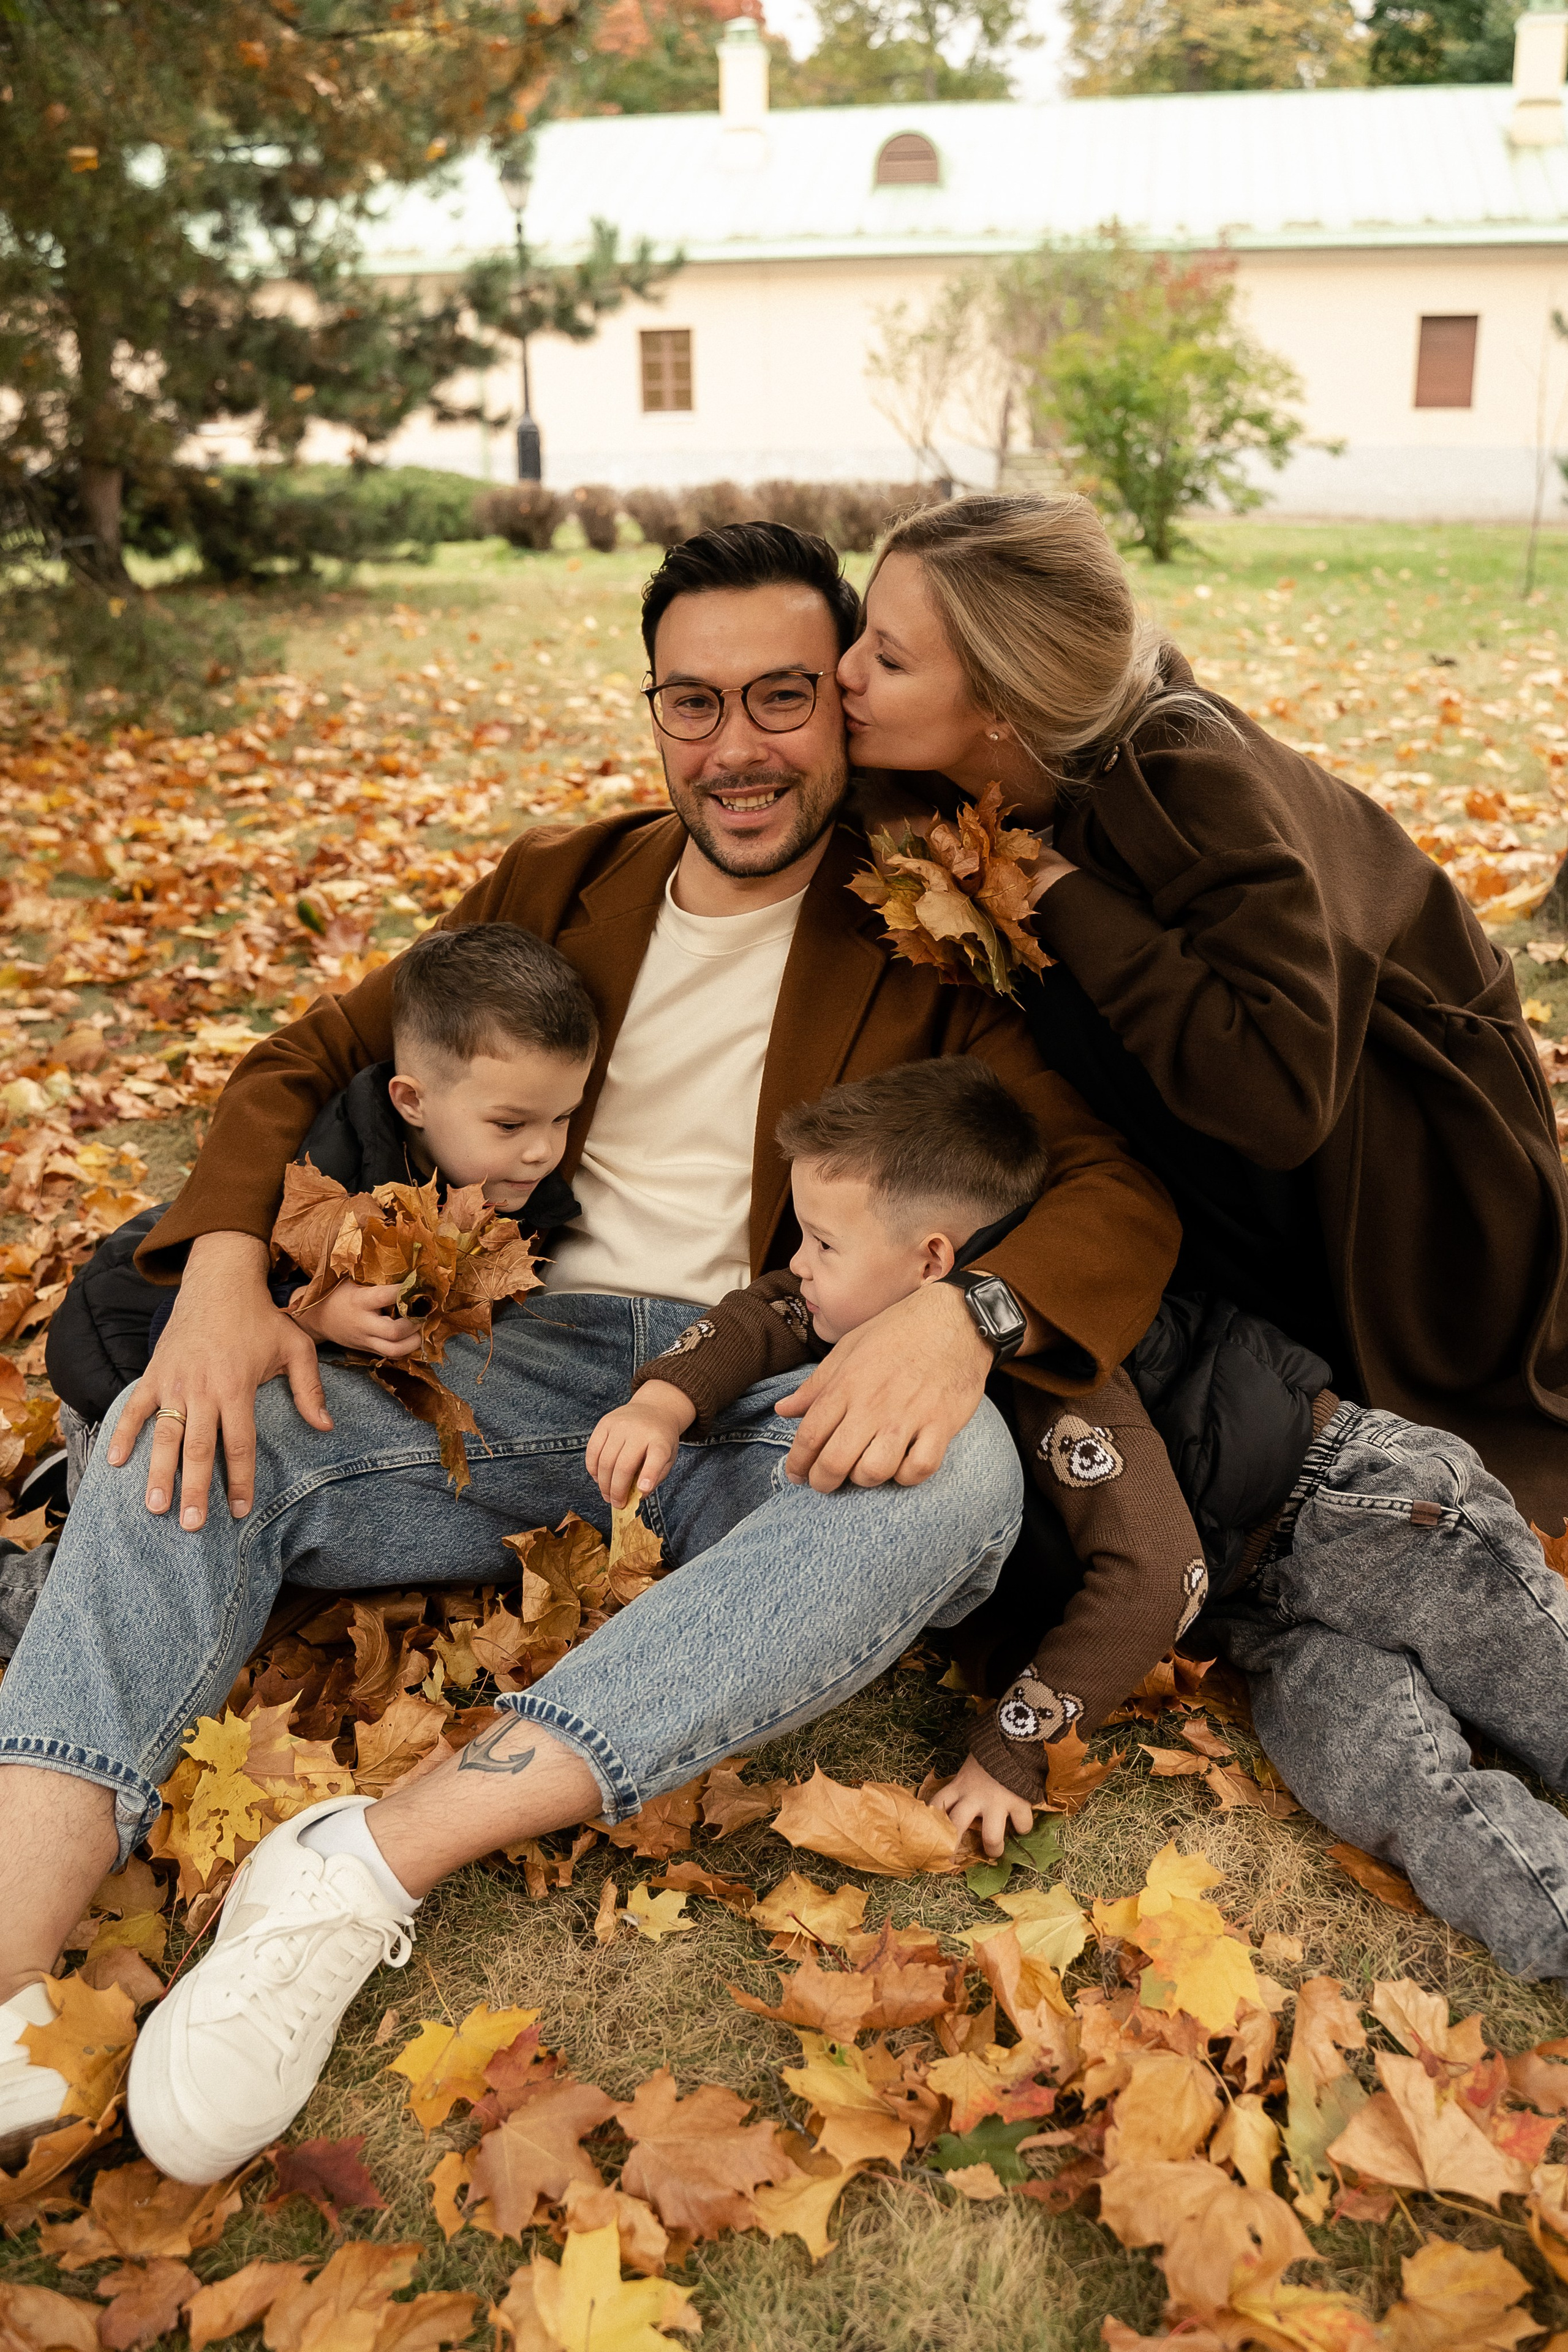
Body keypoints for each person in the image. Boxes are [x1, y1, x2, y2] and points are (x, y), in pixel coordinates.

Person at [0, 520, 1180, 2174]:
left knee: (953, 1479)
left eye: (780, 696)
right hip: (515, 1360)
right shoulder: (565, 881)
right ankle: (7, 1976)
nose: (736, 747)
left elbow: (1120, 1182)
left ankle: (355, 1874)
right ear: (653, 715)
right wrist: (216, 1271)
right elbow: (311, 1051)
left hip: (775, 1371)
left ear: (843, 702)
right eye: (691, 703)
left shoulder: (935, 927)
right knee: (183, 1428)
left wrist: (959, 1312)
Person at [837, 492, 1568, 1525]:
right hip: (1278, 1135)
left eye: (890, 658)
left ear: (1004, 707)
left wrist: (1057, 893)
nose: (846, 674)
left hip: (1420, 1166)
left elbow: (1279, 1096)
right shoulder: (983, 779)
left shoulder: (1187, 776)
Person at [589, 1055, 1210, 1863]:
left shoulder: (1063, 1394)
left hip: (1341, 1502)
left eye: (823, 1242)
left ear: (931, 1264)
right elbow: (765, 1311)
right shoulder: (853, 1290)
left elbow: (1163, 1573)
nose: (800, 1262)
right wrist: (661, 1402)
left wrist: (1015, 1751)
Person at [44, 921, 595, 1437]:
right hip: (124, 1357)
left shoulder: (507, 1183)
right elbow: (198, 1322)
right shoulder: (326, 1177)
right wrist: (316, 1317)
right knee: (141, 1463)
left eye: (563, 1118)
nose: (542, 1151)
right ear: (412, 1102)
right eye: (509, 1124)